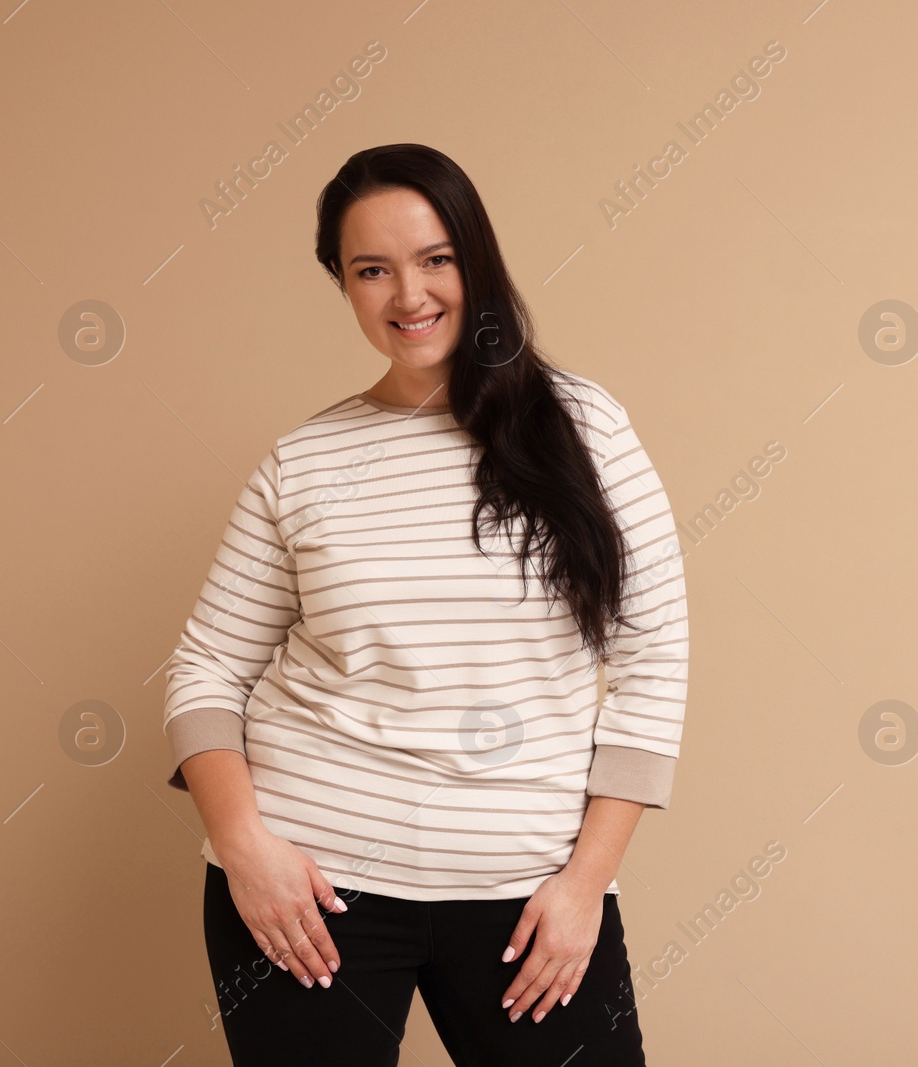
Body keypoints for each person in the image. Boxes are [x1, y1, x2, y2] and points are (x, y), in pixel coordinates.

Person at [161, 143, 689, 1066]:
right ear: (343, 284)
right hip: (312, 891)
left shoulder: (585, 429)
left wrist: (585, 884)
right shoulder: (304, 461)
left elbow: (653, 661)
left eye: (435, 258)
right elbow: (206, 666)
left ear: (475, 261)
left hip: (527, 896)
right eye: (373, 269)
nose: (410, 295)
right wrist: (242, 842)